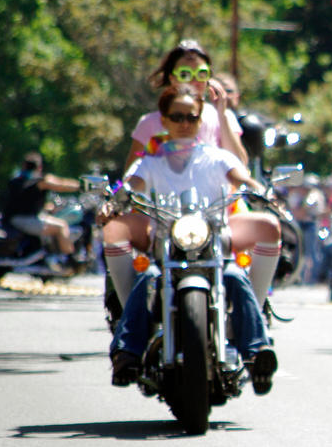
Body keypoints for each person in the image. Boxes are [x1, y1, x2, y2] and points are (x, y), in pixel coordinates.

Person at [101, 87, 280, 393]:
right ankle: (127, 352)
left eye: (192, 117)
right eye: (177, 116)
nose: (184, 122)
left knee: (236, 275)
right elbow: (131, 185)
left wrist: (261, 191)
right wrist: (114, 201)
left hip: (213, 248)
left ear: (200, 121)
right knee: (149, 279)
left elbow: (241, 177)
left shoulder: (216, 157)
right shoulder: (150, 163)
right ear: (164, 121)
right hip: (167, 248)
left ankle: (256, 353)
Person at [125, 40, 245, 170]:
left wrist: (222, 116)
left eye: (201, 74)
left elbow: (240, 167)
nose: (194, 81)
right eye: (184, 74)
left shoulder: (222, 118)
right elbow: (130, 177)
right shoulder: (150, 123)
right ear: (172, 78)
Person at [0, 152, 81, 258]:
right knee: (61, 226)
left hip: (14, 218)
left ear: (23, 166)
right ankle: (69, 259)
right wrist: (82, 186)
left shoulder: (17, 180)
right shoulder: (38, 181)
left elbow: (24, 201)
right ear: (40, 167)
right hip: (22, 219)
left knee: (52, 220)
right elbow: (61, 185)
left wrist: (48, 207)